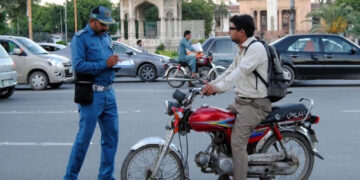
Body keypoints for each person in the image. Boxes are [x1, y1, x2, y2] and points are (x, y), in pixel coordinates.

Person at [201, 15, 272, 180]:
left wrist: (217, 88)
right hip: (241, 102)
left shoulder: (256, 49)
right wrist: (210, 85)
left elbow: (239, 73)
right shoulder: (243, 49)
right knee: (219, 131)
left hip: (255, 105)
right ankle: (224, 173)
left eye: (232, 29)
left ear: (241, 31)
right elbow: (229, 71)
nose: (229, 32)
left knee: (237, 143)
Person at [64, 6, 119, 180]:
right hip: (91, 96)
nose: (105, 27)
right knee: (83, 141)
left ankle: (106, 177)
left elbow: (107, 63)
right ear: (92, 21)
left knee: (111, 139)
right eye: (102, 24)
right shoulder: (81, 38)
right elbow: (78, 66)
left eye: (107, 24)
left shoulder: (106, 37)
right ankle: (70, 177)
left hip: (109, 94)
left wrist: (114, 64)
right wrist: (105, 64)